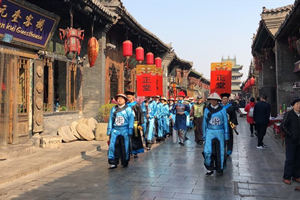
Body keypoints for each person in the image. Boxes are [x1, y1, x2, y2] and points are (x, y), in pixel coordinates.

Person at [202, 92, 229, 176]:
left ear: (218, 101)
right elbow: (204, 123)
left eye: (215, 100)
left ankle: (219, 168)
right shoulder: (207, 109)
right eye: (211, 100)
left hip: (220, 131)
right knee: (207, 151)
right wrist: (204, 135)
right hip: (210, 131)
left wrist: (226, 135)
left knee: (220, 151)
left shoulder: (222, 109)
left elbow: (225, 122)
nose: (213, 101)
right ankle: (209, 168)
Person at [107, 94, 134, 169]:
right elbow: (111, 120)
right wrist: (109, 129)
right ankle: (113, 162)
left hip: (124, 129)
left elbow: (131, 119)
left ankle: (124, 161)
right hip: (115, 130)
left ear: (125, 100)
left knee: (124, 146)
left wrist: (130, 129)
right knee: (113, 146)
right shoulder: (113, 109)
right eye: (118, 98)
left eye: (121, 99)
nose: (119, 100)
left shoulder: (128, 109)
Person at [281, 98, 300, 185]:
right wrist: (290, 135)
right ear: (293, 105)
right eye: (297, 104)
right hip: (291, 141)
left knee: (298, 159)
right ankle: (287, 176)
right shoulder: (289, 114)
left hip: (299, 141)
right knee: (290, 159)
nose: (299, 105)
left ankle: (296, 175)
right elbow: (283, 126)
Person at [125, 91, 144, 158]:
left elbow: (140, 114)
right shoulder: (126, 105)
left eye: (129, 97)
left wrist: (140, 123)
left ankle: (135, 151)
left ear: (133, 97)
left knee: (135, 137)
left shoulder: (136, 105)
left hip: (135, 123)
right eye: (127, 97)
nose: (128, 98)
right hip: (127, 123)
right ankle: (128, 150)